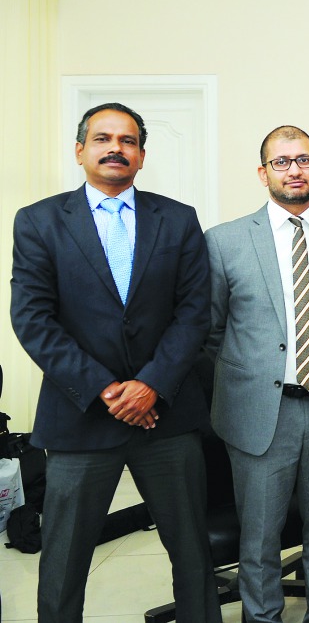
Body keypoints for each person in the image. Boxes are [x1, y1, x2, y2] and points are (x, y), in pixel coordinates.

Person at [10, 103, 219, 622]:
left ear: (142, 156)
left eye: (127, 141)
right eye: (102, 138)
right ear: (80, 150)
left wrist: (151, 385)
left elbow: (195, 315)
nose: (114, 149)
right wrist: (108, 390)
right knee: (63, 562)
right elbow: (33, 320)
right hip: (79, 421)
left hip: (167, 419)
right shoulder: (38, 222)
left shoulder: (178, 219)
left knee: (193, 556)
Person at [205, 126, 309, 622]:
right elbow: (210, 329)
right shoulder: (224, 241)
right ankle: (262, 617)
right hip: (258, 413)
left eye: (304, 159)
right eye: (282, 161)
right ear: (262, 172)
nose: (294, 170)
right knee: (260, 536)